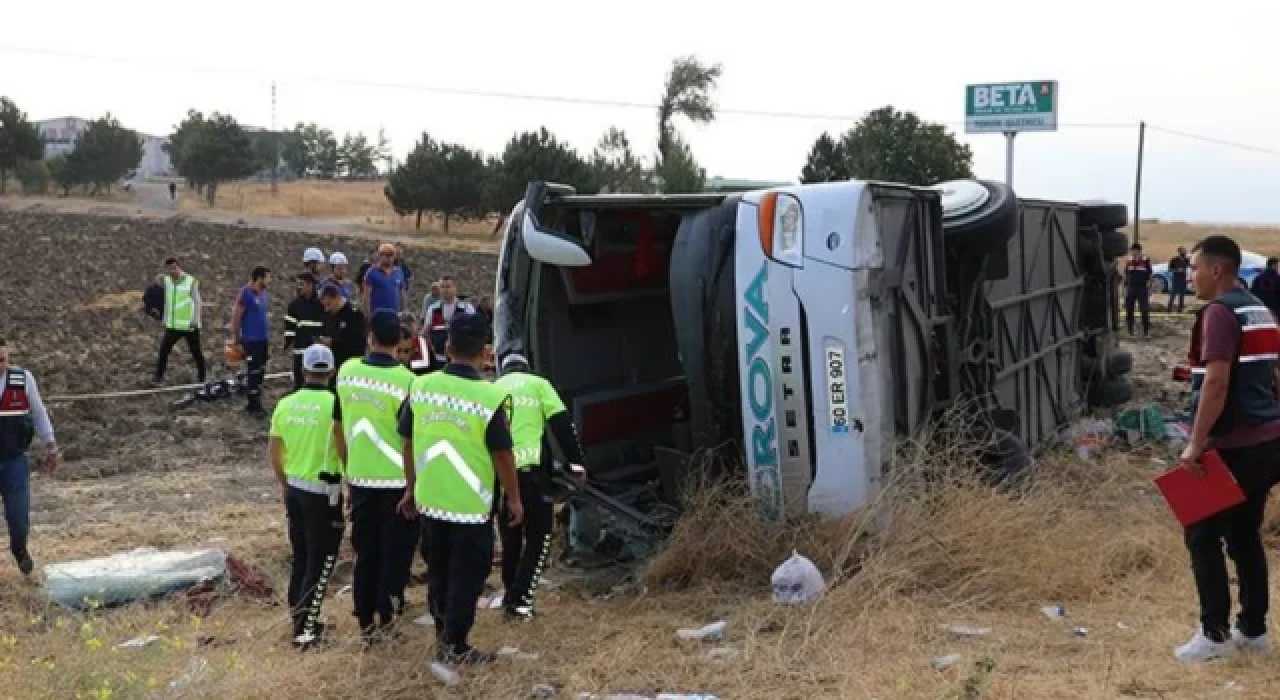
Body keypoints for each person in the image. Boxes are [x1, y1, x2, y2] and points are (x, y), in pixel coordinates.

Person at [1173, 234, 1280, 663]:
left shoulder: (1218, 313)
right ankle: (1254, 631)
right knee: (1243, 534)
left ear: (1217, 271)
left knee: (1201, 533)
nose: (1191, 275)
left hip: (1235, 443)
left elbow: (1216, 383)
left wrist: (1195, 446)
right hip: (1270, 440)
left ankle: (1213, 635)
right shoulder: (1260, 309)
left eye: (1196, 267)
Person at [397, 313, 523, 664]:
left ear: (447, 347)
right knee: (467, 576)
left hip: (431, 502)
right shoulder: (490, 396)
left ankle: (443, 635)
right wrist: (514, 498)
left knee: (438, 571)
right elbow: (503, 454)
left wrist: (410, 488)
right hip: (470, 508)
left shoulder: (420, 387)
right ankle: (455, 644)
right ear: (485, 353)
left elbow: (406, 442)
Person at [334, 310, 420, 645]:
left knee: (365, 551)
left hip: (360, 478)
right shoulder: (408, 382)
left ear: (370, 337)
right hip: (397, 483)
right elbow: (410, 440)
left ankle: (365, 617)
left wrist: (348, 466)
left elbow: (338, 425)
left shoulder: (347, 372)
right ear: (399, 341)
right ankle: (388, 614)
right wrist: (413, 485)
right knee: (395, 553)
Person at [493, 353, 587, 620]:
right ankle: (521, 602)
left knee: (511, 540)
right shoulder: (539, 384)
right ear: (526, 368)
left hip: (501, 476)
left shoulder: (492, 389)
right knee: (540, 538)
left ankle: (510, 597)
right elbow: (562, 425)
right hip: (531, 475)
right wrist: (576, 463)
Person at [270, 344, 345, 649]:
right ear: (332, 372)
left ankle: (299, 617)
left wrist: (285, 483)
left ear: (303, 370)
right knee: (323, 560)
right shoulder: (335, 405)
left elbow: (275, 451)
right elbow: (343, 448)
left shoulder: (286, 404)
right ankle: (307, 630)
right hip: (324, 494)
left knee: (301, 556)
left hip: (295, 489)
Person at [0, 339, 57, 576]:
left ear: (8, 357)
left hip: (14, 461)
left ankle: (19, 549)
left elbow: (39, 411)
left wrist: (50, 443)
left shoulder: (23, 380)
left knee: (19, 519)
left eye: (1, 359)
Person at [152, 257, 207, 386]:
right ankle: (158, 378)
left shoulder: (190, 281)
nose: (172, 271)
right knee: (164, 350)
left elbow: (197, 301)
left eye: (174, 268)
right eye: (169, 269)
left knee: (196, 352)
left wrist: (195, 320)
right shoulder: (167, 281)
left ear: (179, 267)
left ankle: (202, 378)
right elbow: (158, 281)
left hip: (189, 326)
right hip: (173, 326)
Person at [232, 266, 272, 418]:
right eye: (268, 277)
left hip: (263, 339)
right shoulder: (245, 293)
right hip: (251, 340)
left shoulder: (263, 293)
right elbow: (236, 317)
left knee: (261, 370)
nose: (269, 281)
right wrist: (237, 339)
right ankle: (253, 404)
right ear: (260, 278)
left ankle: (256, 399)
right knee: (253, 371)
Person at [284, 273, 326, 390]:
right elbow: (289, 327)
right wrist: (288, 343)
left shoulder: (320, 305)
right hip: (300, 351)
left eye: (302, 284)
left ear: (310, 285)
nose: (299, 287)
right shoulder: (294, 305)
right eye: (298, 284)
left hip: (317, 352)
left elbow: (326, 326)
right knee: (299, 381)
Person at [423, 276, 475, 364]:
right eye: (442, 287)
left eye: (448, 286)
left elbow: (474, 331)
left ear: (455, 288)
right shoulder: (432, 309)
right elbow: (425, 332)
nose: (445, 290)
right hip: (439, 358)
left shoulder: (467, 308)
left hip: (461, 359)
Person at [320, 284, 367, 379]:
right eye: (324, 305)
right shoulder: (328, 315)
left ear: (337, 298)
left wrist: (333, 343)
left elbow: (358, 343)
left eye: (329, 304)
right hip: (333, 367)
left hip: (351, 367)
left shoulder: (354, 315)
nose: (326, 309)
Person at [362, 243, 405, 318]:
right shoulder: (372, 272)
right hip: (377, 316)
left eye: (391, 255)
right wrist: (367, 316)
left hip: (394, 316)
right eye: (386, 255)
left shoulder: (399, 272)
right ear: (380, 256)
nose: (389, 258)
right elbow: (366, 297)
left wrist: (402, 312)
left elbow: (402, 294)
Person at [1123, 243, 1153, 337]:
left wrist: (1150, 288)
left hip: (1142, 288)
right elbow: (1126, 275)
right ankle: (1130, 331)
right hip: (1131, 288)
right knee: (1129, 310)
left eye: (1135, 250)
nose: (1133, 252)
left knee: (1144, 310)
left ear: (1139, 251)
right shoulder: (1129, 261)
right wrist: (1124, 289)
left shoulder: (1145, 260)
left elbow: (1150, 275)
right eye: (1132, 251)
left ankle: (1145, 332)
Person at [1168, 246, 1191, 313]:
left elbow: (1189, 267)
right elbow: (1169, 269)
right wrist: (1177, 270)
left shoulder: (1187, 260)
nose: (1184, 252)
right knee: (1173, 294)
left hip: (1183, 279)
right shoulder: (1174, 260)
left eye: (1185, 251)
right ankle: (1169, 309)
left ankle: (1180, 309)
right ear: (1179, 252)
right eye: (1183, 251)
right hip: (1176, 278)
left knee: (1182, 295)